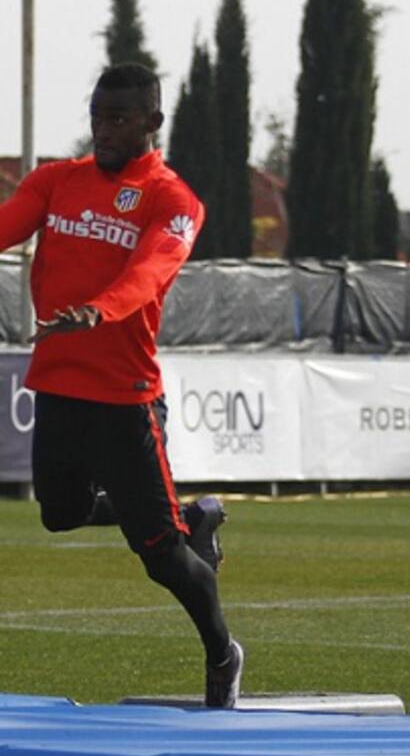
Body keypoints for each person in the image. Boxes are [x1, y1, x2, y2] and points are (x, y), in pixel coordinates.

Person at [0, 62, 243, 708]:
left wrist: (98, 310)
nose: (103, 131)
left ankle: (223, 654)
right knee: (59, 514)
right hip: (58, 386)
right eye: (97, 117)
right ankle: (183, 516)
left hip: (125, 398)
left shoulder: (174, 200)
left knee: (162, 557)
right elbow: (6, 225)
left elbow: (150, 273)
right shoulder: (57, 181)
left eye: (119, 119)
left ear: (152, 124)